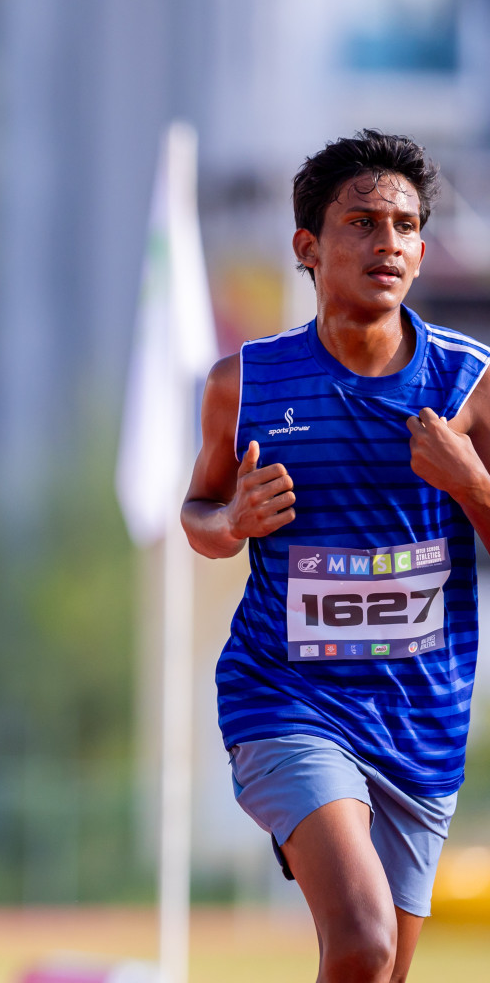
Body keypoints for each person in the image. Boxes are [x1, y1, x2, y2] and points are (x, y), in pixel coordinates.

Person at [183, 130, 490, 982]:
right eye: (361, 221)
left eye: (403, 225)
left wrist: (472, 482)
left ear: (423, 251)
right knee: (361, 942)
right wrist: (233, 520)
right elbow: (197, 515)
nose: (385, 242)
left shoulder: (472, 385)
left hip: (420, 723)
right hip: (285, 698)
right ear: (308, 248)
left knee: (379, 971)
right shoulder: (242, 384)